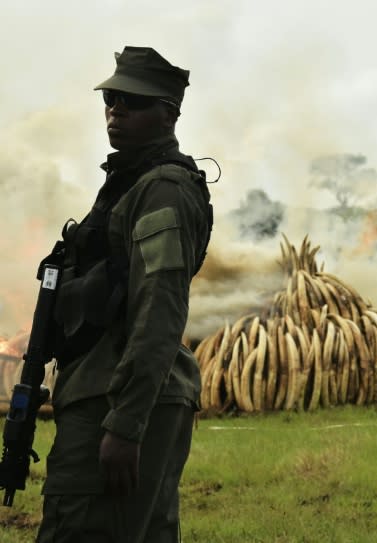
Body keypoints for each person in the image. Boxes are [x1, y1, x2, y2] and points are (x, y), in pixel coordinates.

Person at [36, 46, 213, 542]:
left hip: (117, 399)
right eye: (111, 98)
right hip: (113, 393)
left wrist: (126, 422)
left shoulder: (162, 191)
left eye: (132, 102)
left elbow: (160, 308)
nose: (116, 110)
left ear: (168, 113)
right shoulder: (130, 184)